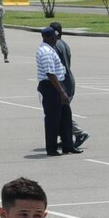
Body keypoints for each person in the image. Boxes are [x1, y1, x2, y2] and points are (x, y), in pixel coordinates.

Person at [36, 26, 79, 156]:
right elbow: (50, 74)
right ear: (48, 38)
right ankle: (52, 149)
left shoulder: (50, 48)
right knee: (53, 119)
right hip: (51, 87)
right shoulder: (46, 52)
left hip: (57, 85)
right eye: (54, 37)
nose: (56, 38)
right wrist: (61, 92)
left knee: (66, 116)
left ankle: (68, 146)